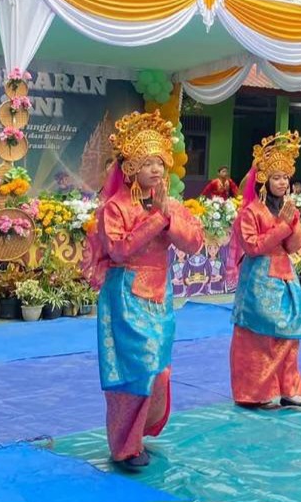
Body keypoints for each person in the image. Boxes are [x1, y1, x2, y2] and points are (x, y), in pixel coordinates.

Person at [82, 111, 204, 470]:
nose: (154, 170)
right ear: (131, 167)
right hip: (126, 295)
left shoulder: (168, 205)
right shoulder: (114, 208)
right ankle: (125, 446)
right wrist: (157, 220)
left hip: (159, 296)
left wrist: (167, 216)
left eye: (159, 163)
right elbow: (119, 249)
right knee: (133, 370)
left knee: (158, 370)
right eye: (147, 163)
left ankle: (141, 430)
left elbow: (194, 243)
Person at [226, 132, 301, 409]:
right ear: (264, 180)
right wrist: (283, 226)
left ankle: (290, 388)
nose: (282, 182)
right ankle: (255, 392)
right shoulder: (249, 212)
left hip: (285, 275)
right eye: (276, 177)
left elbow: (293, 245)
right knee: (260, 338)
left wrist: (293, 223)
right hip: (259, 279)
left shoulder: (287, 209)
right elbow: (252, 247)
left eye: (285, 178)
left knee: (289, 334)